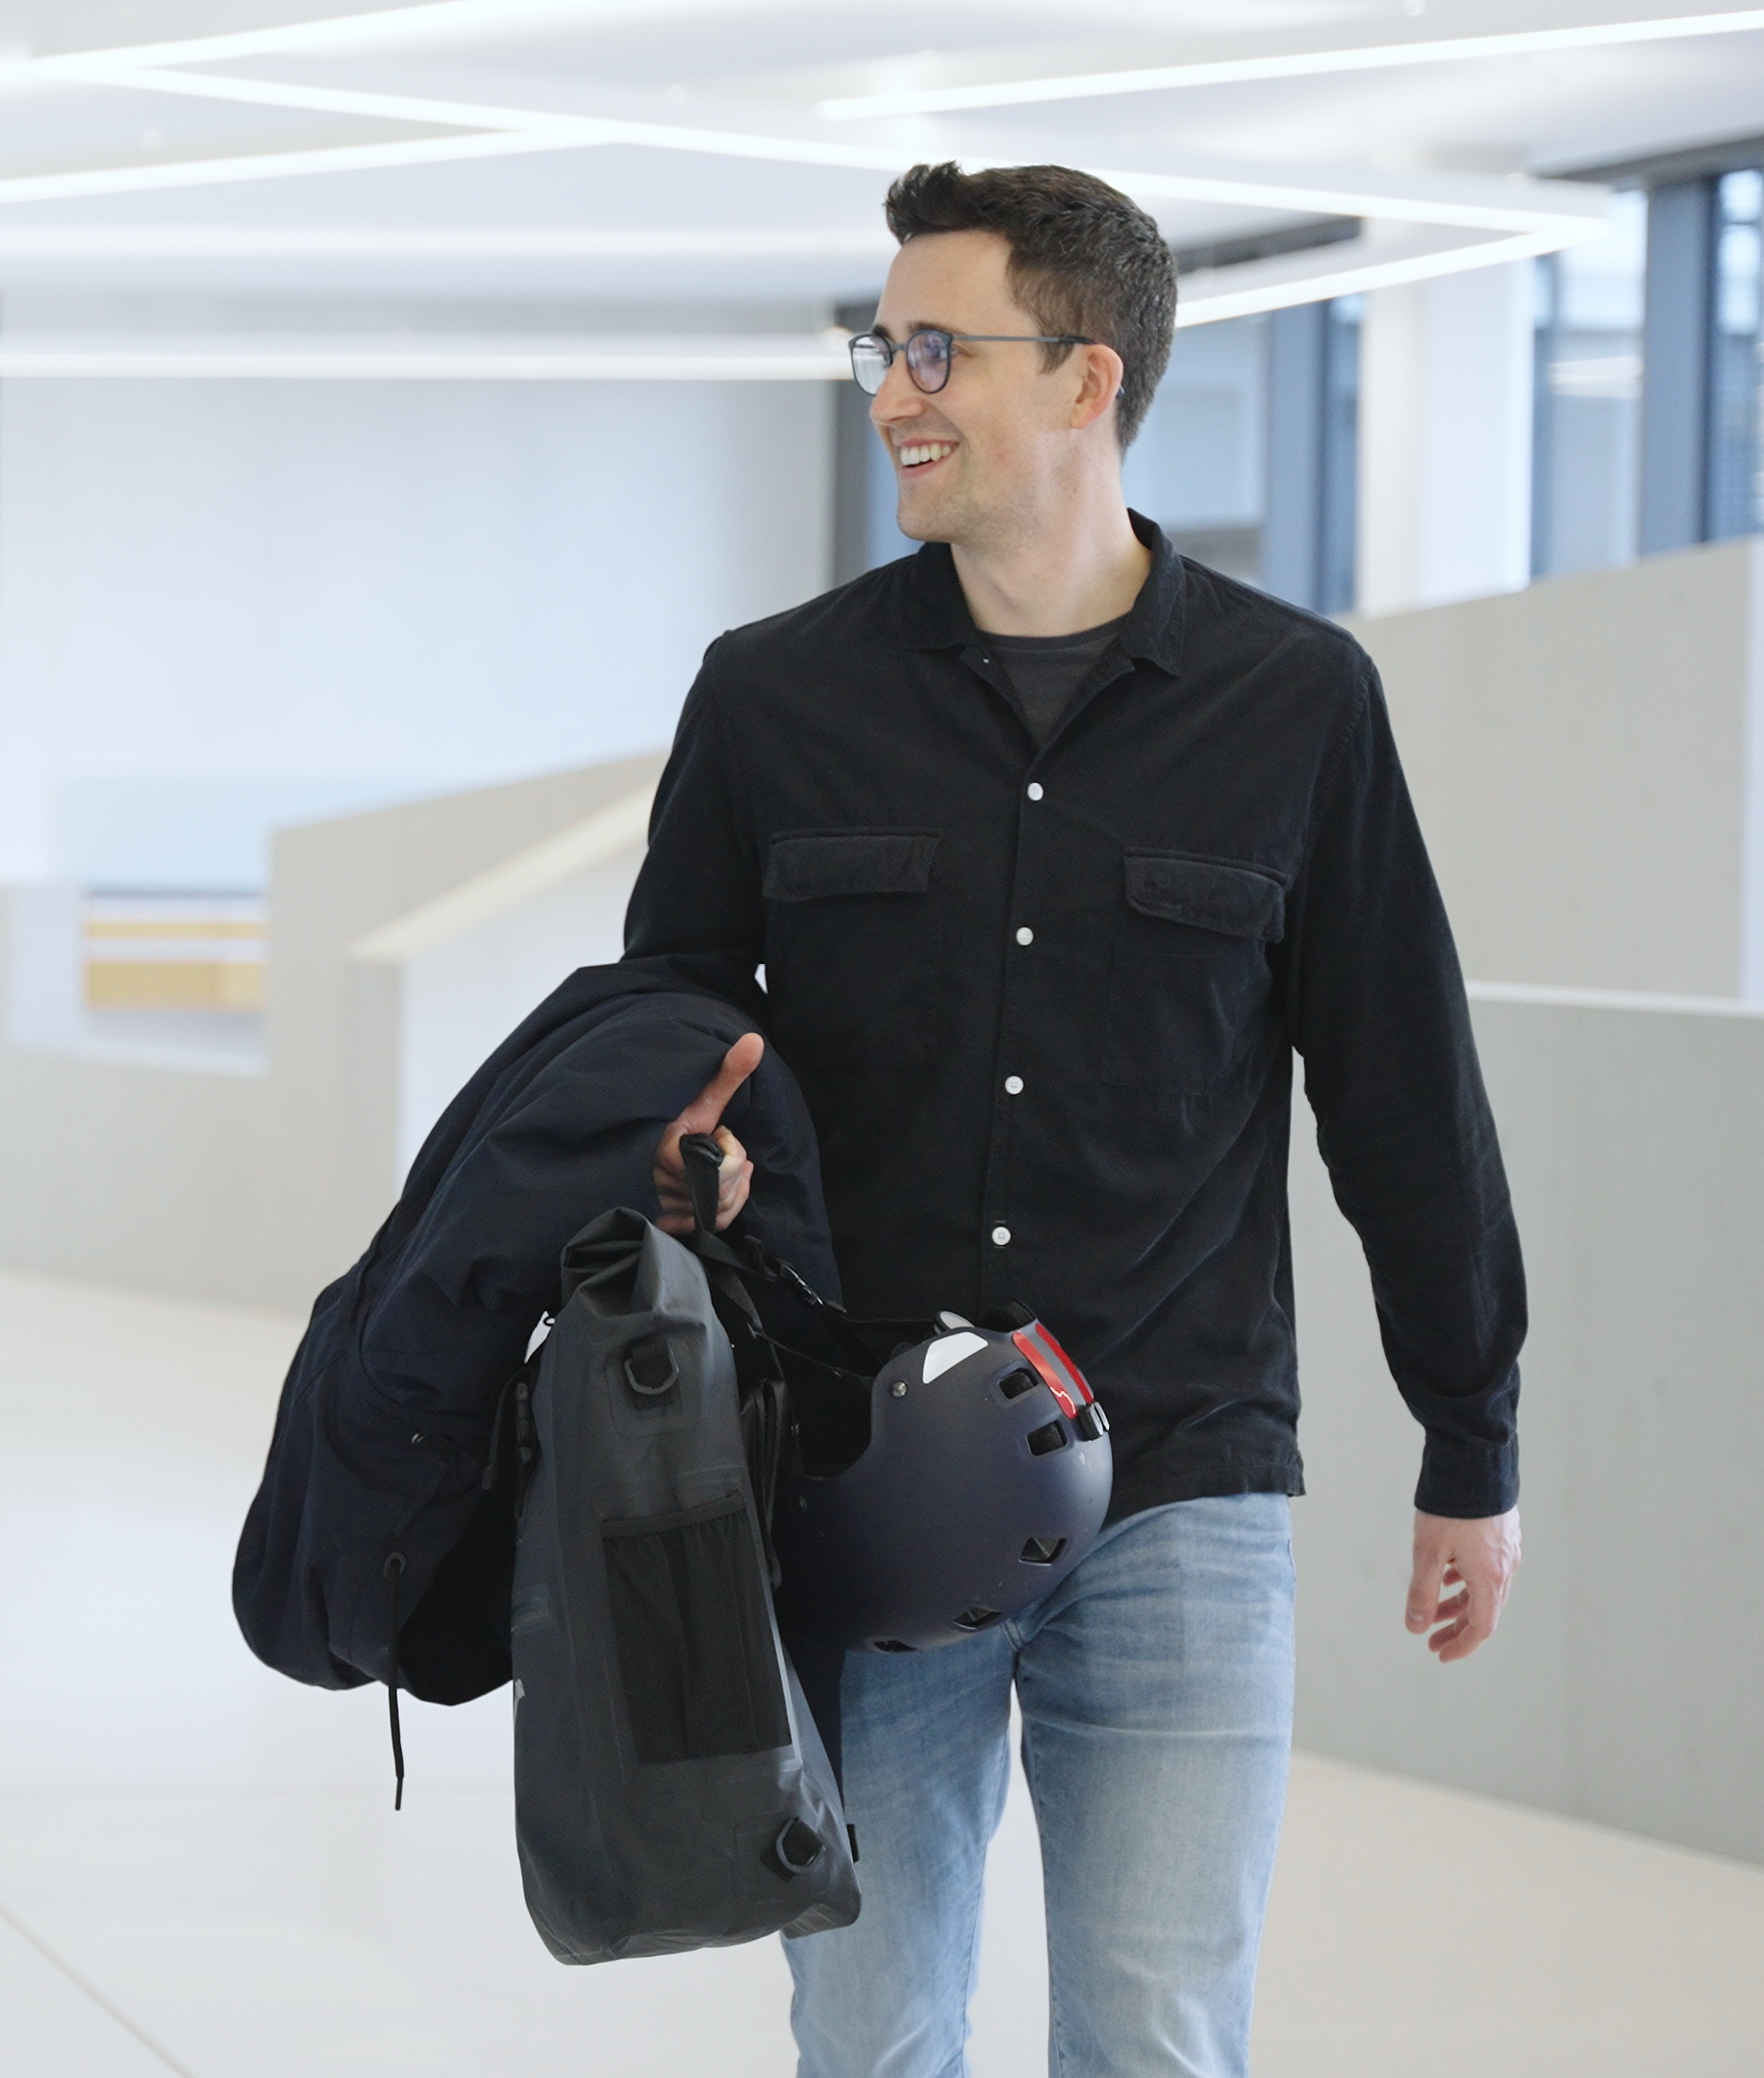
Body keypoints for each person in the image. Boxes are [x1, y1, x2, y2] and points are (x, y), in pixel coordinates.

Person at [625, 165, 1525, 2076]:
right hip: (857, 1478)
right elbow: (666, 1030)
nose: (895, 394)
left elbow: (1404, 1094)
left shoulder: (1297, 704)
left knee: (1161, 2036)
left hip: (1183, 1482)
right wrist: (685, 1150)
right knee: (871, 2030)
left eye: (937, 351)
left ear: (1088, 376)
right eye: (882, 350)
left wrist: (1473, 1438)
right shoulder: (774, 699)